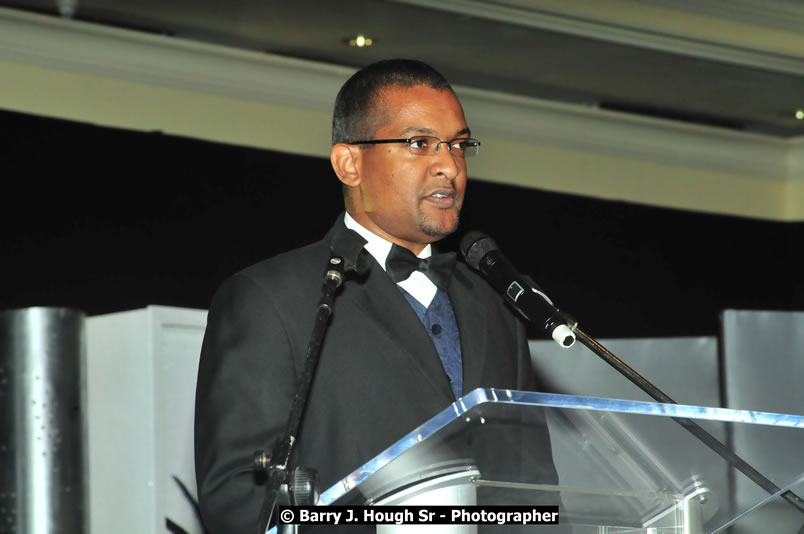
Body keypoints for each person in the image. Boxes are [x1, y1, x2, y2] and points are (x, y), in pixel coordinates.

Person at [194, 59, 558, 534]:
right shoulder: (270, 299)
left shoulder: (497, 307)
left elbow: (532, 492)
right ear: (350, 163)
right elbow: (239, 498)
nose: (449, 165)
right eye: (419, 143)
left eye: (458, 145)